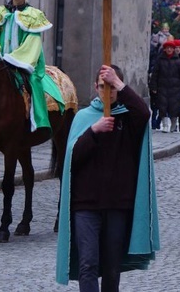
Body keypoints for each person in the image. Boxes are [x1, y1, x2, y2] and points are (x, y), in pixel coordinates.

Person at [56, 65, 159, 292]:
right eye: (103, 87)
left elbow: (143, 113)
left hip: (117, 204)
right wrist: (93, 131)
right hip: (86, 205)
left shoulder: (128, 117)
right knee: (88, 263)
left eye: (112, 87)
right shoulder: (83, 117)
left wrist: (120, 84)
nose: (107, 92)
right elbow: (71, 159)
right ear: (95, 88)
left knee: (112, 267)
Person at [0, 0, 64, 131]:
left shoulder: (34, 15)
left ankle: (39, 120)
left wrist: (14, 59)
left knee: (34, 82)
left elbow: (34, 41)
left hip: (26, 62)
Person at [148, 40, 180, 133]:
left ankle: (173, 125)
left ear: (173, 49)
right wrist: (153, 86)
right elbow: (155, 74)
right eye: (167, 48)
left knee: (174, 107)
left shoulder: (178, 60)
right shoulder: (160, 60)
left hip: (175, 88)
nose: (169, 49)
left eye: (171, 48)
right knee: (162, 106)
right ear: (165, 49)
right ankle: (165, 125)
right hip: (162, 87)